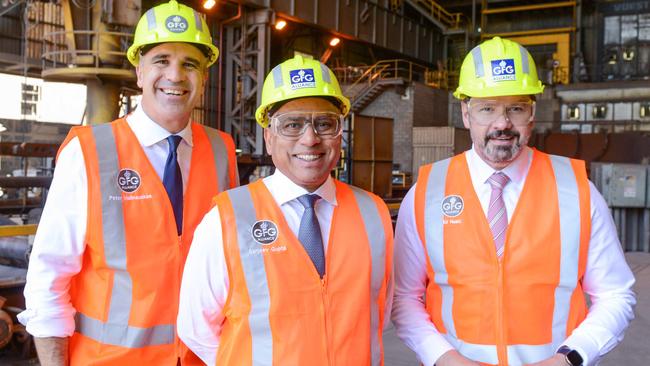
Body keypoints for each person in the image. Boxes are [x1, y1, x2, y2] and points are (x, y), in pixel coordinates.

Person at [18, 1, 239, 364]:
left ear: (205, 76)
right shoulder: (89, 153)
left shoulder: (221, 149)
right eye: (162, 60)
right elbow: (48, 280)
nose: (176, 75)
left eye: (190, 64)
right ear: (139, 71)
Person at [392, 37, 636, 366]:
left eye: (515, 108)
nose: (502, 123)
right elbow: (404, 297)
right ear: (466, 113)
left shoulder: (577, 191)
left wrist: (569, 358)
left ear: (532, 113)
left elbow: (615, 294)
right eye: (487, 108)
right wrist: (445, 359)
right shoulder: (426, 194)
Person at [177, 55, 394, 365]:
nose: (310, 139)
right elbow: (195, 326)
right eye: (292, 124)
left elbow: (379, 313)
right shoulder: (227, 220)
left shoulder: (373, 213)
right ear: (269, 136)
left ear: (340, 133)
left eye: (324, 123)